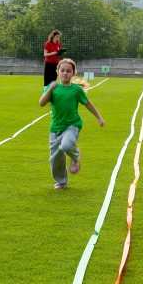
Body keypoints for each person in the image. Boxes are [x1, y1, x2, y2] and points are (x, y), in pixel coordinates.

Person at [39, 58, 105, 190]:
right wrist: (50, 89)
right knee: (55, 159)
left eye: (68, 71)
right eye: (62, 70)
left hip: (72, 125)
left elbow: (88, 104)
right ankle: (62, 182)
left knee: (66, 145)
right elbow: (41, 103)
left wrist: (99, 117)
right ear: (57, 72)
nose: (65, 73)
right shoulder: (52, 88)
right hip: (56, 127)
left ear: (73, 73)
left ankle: (76, 155)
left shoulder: (76, 90)